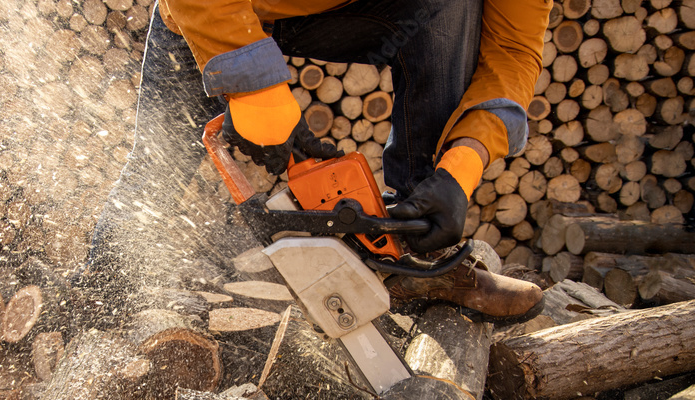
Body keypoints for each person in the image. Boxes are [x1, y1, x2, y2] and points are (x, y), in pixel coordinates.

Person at [77, 0, 550, 322]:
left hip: (354, 12)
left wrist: (460, 168)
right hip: (210, 8)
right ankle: (96, 301)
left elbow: (511, 51)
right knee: (156, 163)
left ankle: (413, 253)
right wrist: (257, 93)